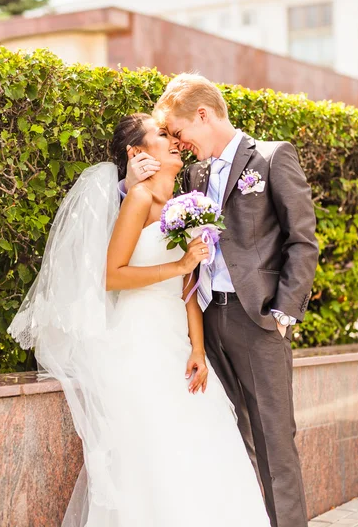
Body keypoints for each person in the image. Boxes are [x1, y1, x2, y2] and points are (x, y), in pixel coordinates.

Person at [8, 113, 271, 527]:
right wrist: (179, 263)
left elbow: (189, 288)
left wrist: (199, 349)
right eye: (162, 135)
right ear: (137, 153)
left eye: (172, 133)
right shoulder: (139, 199)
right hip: (138, 343)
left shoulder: (182, 204)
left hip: (177, 343)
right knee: (157, 453)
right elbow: (112, 275)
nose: (174, 141)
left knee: (203, 447)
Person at [125, 74, 319, 527]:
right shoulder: (193, 171)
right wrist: (128, 181)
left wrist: (284, 312)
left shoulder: (271, 157)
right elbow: (150, 214)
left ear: (203, 114)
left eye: (178, 132)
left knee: (273, 438)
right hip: (206, 321)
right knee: (230, 438)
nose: (178, 142)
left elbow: (303, 242)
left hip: (258, 320)